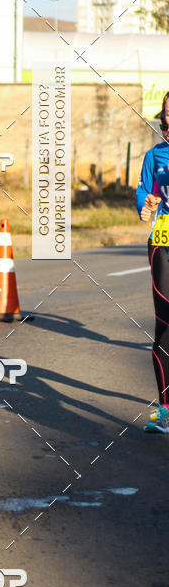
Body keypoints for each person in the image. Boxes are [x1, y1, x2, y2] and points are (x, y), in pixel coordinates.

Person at [137, 89, 169, 433]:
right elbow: (145, 198)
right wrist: (146, 205)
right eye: (167, 110)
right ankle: (166, 409)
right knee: (165, 322)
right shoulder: (154, 156)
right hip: (163, 240)